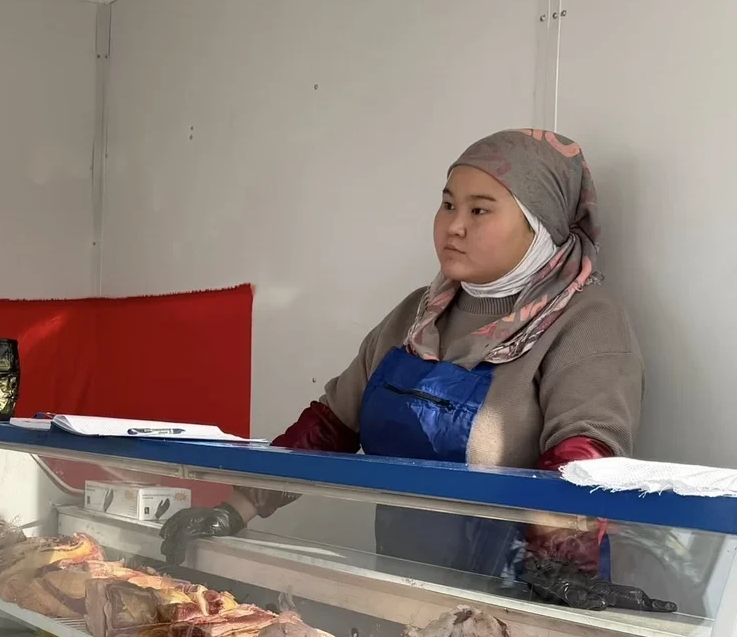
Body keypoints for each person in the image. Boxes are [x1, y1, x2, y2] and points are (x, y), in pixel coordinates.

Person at [162, 129, 643, 579]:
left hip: (520, 594)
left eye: (479, 210)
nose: (454, 226)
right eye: (448, 204)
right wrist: (234, 510)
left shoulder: (583, 320)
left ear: (540, 224)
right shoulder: (419, 313)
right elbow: (330, 426)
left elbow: (584, 463)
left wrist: (549, 576)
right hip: (407, 584)